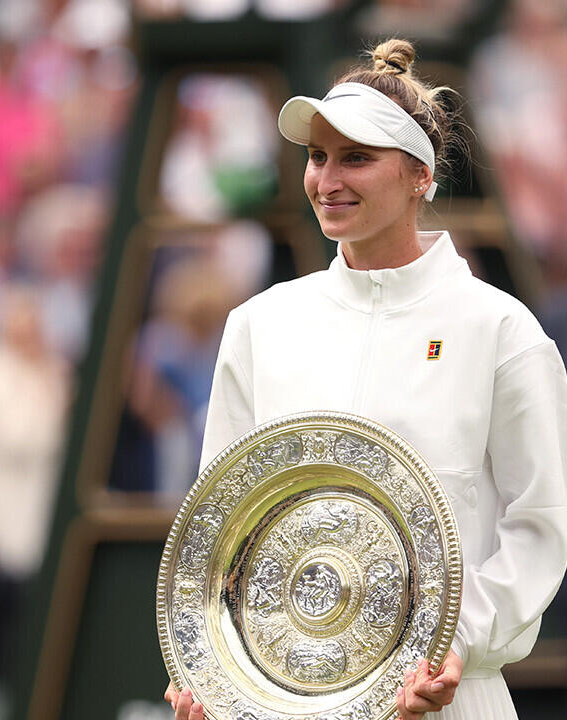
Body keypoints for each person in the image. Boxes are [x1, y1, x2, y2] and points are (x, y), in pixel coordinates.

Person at [164, 38, 567, 720]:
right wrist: (209, 666)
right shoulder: (260, 326)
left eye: (356, 157)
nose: (327, 179)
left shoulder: (501, 331)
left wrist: (453, 645)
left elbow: (540, 527)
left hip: (449, 702)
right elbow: (220, 531)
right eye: (317, 157)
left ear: (419, 174)